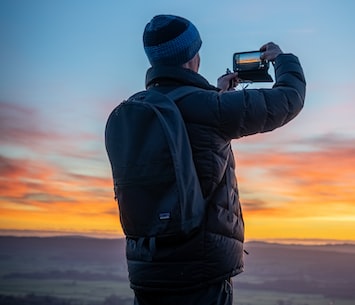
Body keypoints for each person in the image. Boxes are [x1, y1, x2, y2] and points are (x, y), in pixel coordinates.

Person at [115, 14, 306, 305]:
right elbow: (289, 99)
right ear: (193, 57)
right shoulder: (211, 109)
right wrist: (282, 58)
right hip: (199, 272)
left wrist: (216, 94)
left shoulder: (136, 109)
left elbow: (189, 132)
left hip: (147, 267)